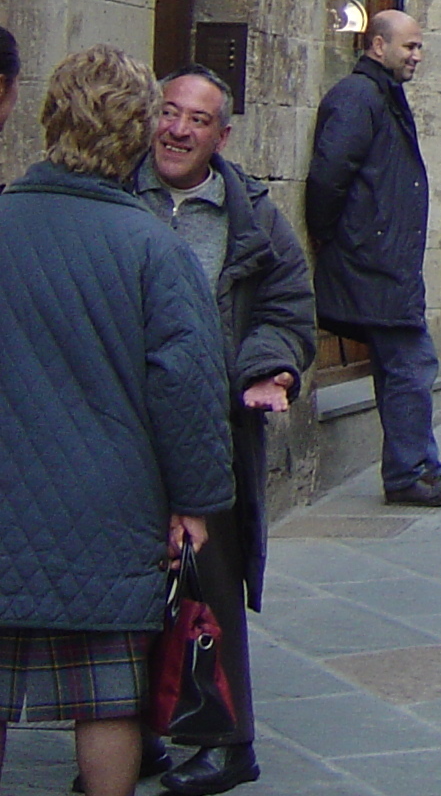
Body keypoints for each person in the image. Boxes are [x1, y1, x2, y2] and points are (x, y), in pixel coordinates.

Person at [0, 47, 232, 796]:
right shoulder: (154, 249)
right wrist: (197, 502)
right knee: (106, 693)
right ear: (137, 132)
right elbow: (188, 389)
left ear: (46, 117)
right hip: (109, 507)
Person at [123, 69, 315, 796]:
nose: (176, 130)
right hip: (127, 424)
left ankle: (225, 740)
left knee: (210, 583)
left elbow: (287, 309)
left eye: (195, 120)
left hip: (214, 428)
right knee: (127, 585)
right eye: (167, 113)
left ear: (221, 136)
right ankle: (130, 733)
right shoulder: (121, 193)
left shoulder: (253, 215)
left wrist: (268, 368)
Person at [306, 10, 441, 506]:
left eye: (419, 47)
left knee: (404, 365)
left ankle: (420, 466)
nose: (417, 56)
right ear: (377, 46)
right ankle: (412, 471)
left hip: (384, 258)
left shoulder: (379, 95)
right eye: (409, 47)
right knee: (411, 362)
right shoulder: (359, 97)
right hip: (374, 259)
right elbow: (328, 176)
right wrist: (335, 235)